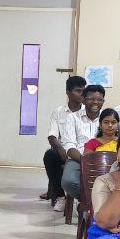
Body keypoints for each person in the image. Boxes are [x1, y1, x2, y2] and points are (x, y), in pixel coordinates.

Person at [43, 76, 86, 208]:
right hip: (64, 151)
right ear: (68, 92)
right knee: (50, 155)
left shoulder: (88, 111)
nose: (81, 94)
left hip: (83, 152)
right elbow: (52, 136)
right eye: (78, 91)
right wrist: (60, 148)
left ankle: (83, 198)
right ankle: (60, 196)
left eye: (83, 91)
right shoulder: (58, 112)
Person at [60, 84, 106, 201]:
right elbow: (69, 145)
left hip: (103, 159)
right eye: (91, 99)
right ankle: (90, 202)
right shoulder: (72, 117)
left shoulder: (107, 119)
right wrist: (84, 160)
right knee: (68, 182)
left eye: (99, 99)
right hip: (78, 159)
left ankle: (93, 203)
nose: (95, 102)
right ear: (83, 100)